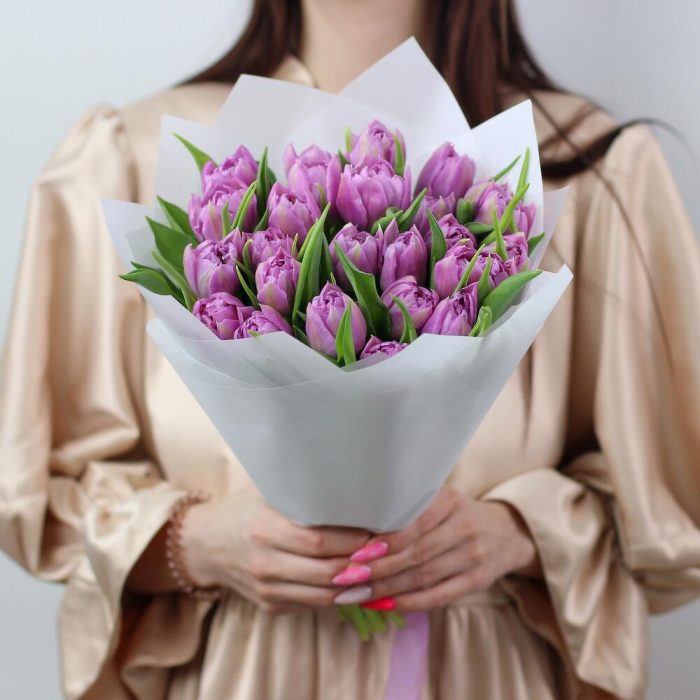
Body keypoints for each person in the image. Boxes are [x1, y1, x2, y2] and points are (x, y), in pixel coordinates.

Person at [1, 0, 699, 698]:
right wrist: (194, 543)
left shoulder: (590, 168)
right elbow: (39, 494)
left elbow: (666, 523)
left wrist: (521, 531)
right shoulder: (130, 157)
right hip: (244, 674)